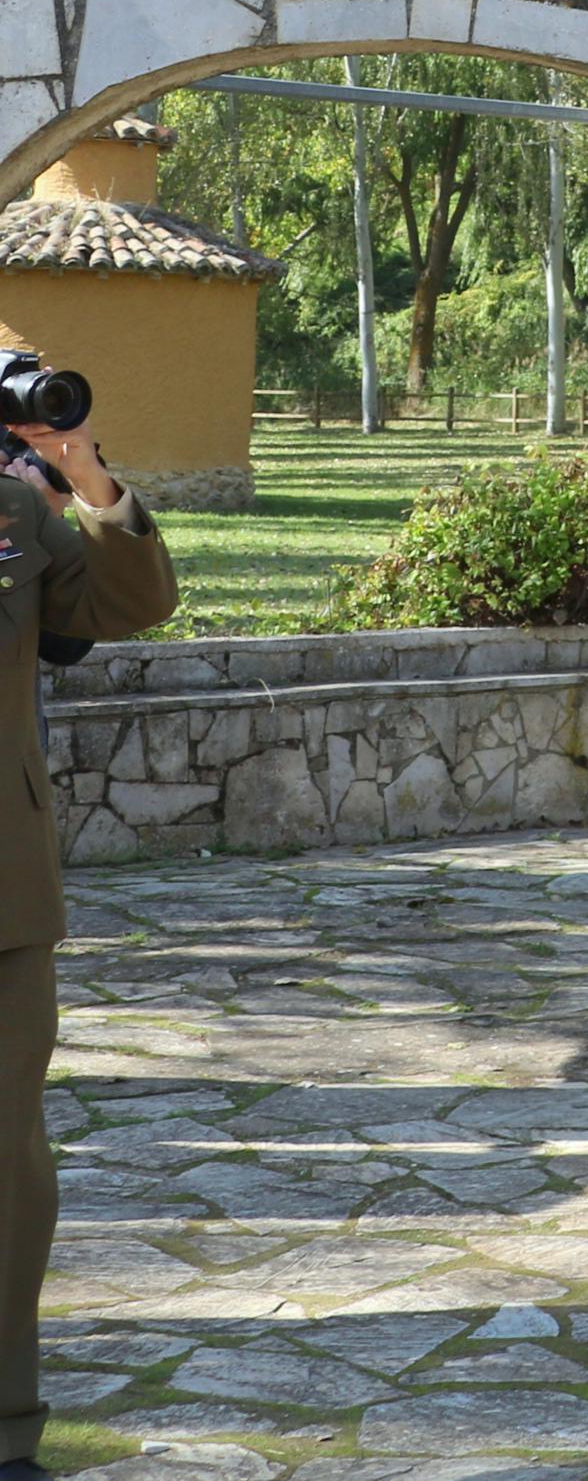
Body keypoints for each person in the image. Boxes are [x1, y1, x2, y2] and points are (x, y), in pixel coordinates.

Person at [0, 387, 180, 1477]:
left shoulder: (15, 516)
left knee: (7, 1168)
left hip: (2, 893)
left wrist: (84, 476)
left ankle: (6, 1427)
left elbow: (129, 598)